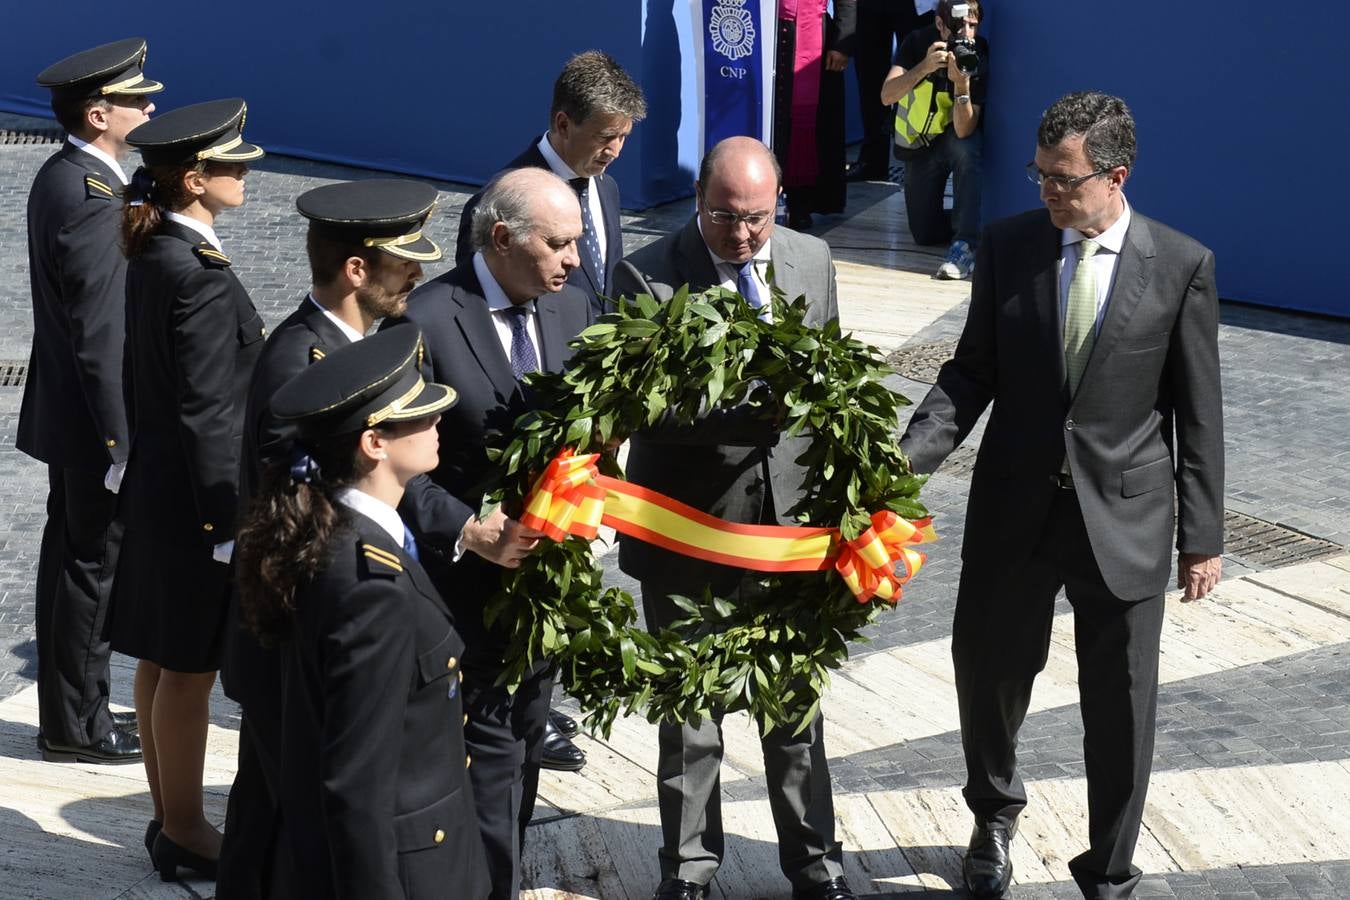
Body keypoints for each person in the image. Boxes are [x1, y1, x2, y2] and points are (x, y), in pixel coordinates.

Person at [899, 92, 1224, 899]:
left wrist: (1203, 535)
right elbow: (972, 371)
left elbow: (1197, 411)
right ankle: (993, 814)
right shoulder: (1011, 246)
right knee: (988, 675)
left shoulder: (1182, 264)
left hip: (1127, 521)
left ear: (1116, 177)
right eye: (1040, 174)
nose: (1046, 192)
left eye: (1063, 180)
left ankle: (1110, 869)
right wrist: (901, 467)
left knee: (1122, 708)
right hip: (1015, 510)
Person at [611, 137, 853, 900]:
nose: (744, 235)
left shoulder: (810, 259)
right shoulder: (643, 275)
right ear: (697, 202)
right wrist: (753, 413)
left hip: (790, 535)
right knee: (690, 715)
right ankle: (687, 872)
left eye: (758, 218)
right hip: (689, 533)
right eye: (725, 218)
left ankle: (816, 866)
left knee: (795, 708)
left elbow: (833, 380)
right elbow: (644, 411)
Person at [217, 179, 442, 899]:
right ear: (355, 270)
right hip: (296, 638)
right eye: (402, 261)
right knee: (283, 826)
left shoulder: (350, 354)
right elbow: (294, 514)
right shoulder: (303, 365)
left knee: (272, 816)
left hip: (307, 633)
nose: (418, 273)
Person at [385, 166, 591, 900]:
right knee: (483, 765)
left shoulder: (576, 307)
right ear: (502, 239)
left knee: (524, 753)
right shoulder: (425, 322)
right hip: (455, 597)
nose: (574, 259)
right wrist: (469, 530)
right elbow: (389, 467)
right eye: (559, 245)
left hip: (543, 598)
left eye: (578, 243)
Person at [234, 326, 489, 900]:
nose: (437, 421)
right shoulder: (371, 585)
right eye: (421, 414)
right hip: (409, 871)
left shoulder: (335, 535)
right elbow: (355, 789)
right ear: (375, 444)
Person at [108, 98, 266, 883]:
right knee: (190, 669)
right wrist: (227, 521)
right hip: (195, 506)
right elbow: (210, 411)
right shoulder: (197, 274)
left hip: (158, 493)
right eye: (233, 164)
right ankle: (185, 829)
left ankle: (168, 815)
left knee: (161, 661)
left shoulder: (162, 252)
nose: (245, 174)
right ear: (196, 180)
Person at [24, 37, 161, 767]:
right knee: (90, 572)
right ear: (98, 112)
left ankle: (74, 711)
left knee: (72, 565)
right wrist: (122, 443)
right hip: (94, 426)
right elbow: (101, 331)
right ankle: (76, 727)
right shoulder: (91, 197)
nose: (150, 107)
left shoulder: (70, 176)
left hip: (69, 417)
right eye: (138, 100)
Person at [455, 49, 646, 320]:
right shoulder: (496, 202)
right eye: (605, 137)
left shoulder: (607, 188)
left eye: (623, 137)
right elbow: (476, 306)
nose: (615, 151)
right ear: (564, 124)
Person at [880, 0, 987, 279]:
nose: (965, 34)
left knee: (967, 147)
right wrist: (924, 68)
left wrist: (961, 84)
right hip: (921, 145)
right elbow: (886, 95)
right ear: (939, 24)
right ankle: (964, 220)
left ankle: (966, 242)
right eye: (958, 25)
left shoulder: (979, 51)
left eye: (972, 26)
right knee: (924, 234)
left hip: (953, 138)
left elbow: (964, 130)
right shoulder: (917, 41)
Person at [773, 0, 856, 230]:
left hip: (814, 38)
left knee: (812, 125)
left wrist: (841, 44)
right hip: (766, 36)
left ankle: (801, 205)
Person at [845, 1, 929, 182]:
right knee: (869, 80)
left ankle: (921, 159)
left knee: (919, 80)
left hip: (916, 7)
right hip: (870, 8)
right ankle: (872, 162)